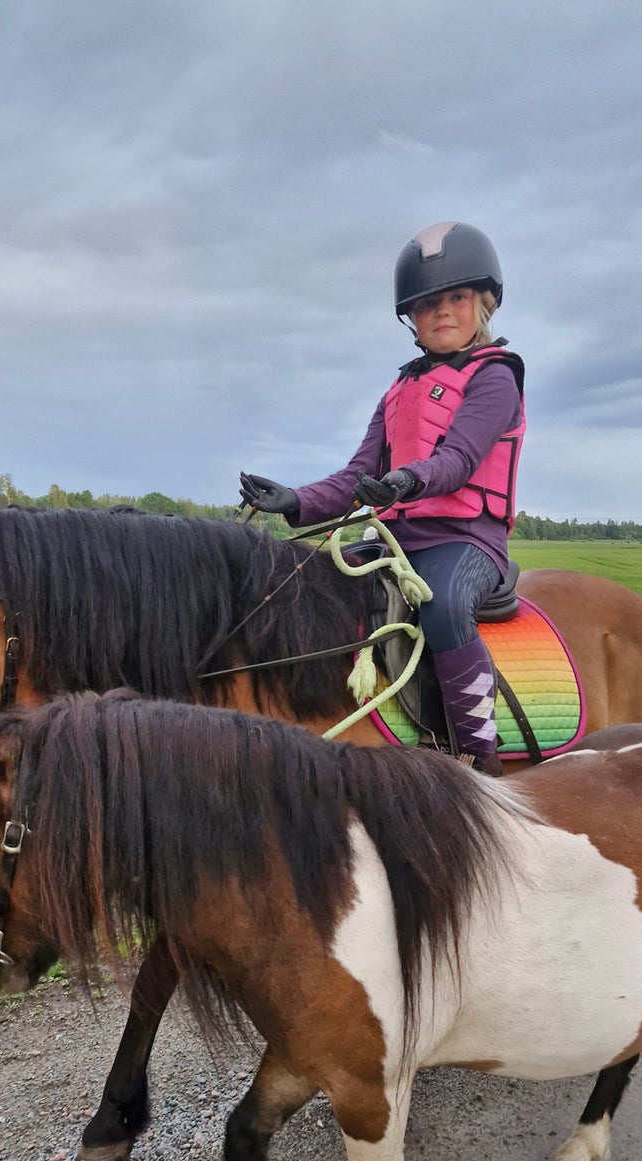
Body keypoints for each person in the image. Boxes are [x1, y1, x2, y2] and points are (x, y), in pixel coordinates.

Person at [239, 221, 525, 774]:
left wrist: (406, 481)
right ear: (411, 318)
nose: (443, 311)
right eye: (428, 302)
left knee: (441, 606)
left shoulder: (495, 380)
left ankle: (477, 758)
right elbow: (356, 474)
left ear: (484, 303)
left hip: (466, 542)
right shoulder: (399, 391)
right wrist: (295, 500)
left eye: (457, 297)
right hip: (397, 538)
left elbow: (459, 460)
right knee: (314, 590)